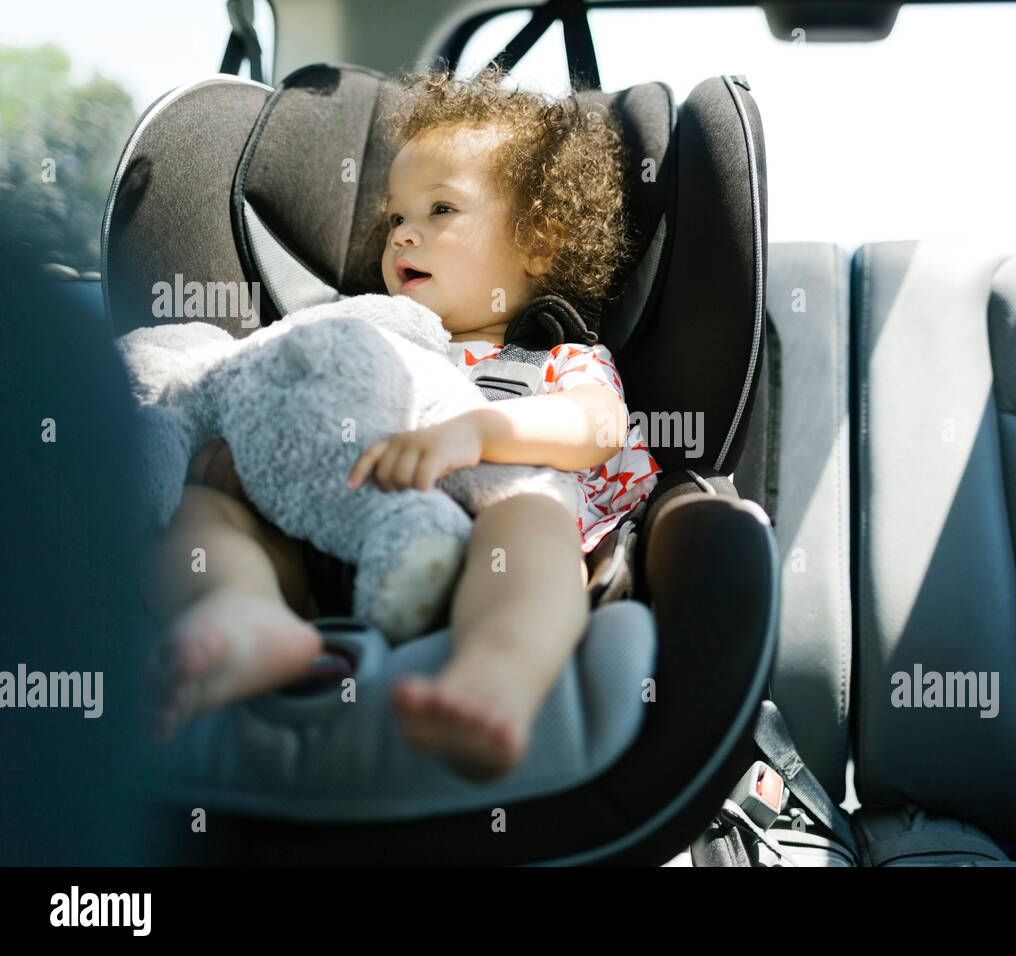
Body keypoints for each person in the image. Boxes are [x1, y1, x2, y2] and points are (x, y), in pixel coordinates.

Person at [147, 63, 660, 781]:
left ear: (539, 238)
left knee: (536, 519)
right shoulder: (362, 334)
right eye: (395, 218)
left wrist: (479, 434)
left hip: (490, 546)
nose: (403, 237)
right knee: (212, 509)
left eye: (440, 210)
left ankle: (496, 677)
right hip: (340, 526)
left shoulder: (556, 357)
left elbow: (598, 426)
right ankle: (241, 616)